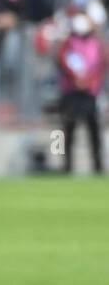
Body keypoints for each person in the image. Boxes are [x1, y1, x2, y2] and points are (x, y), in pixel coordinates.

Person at [56, 11, 105, 174]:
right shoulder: (68, 43)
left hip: (90, 92)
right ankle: (64, 165)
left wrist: (89, 81)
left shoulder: (96, 43)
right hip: (70, 91)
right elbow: (63, 61)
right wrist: (76, 78)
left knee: (94, 129)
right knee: (65, 130)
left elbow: (100, 66)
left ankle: (98, 165)